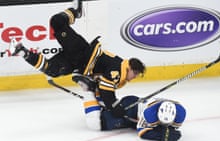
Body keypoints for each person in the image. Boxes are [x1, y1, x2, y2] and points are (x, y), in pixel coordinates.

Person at [8, 0, 146, 119]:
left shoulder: (120, 75)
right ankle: (76, 12)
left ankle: (22, 51)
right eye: (135, 74)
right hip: (80, 51)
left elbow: (103, 87)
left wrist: (104, 100)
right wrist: (114, 107)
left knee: (51, 70)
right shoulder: (118, 70)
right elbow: (106, 90)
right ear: (130, 68)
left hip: (78, 64)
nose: (133, 78)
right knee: (56, 21)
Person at [84, 94, 186, 141]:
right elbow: (142, 132)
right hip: (131, 108)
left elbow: (171, 128)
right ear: (157, 113)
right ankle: (89, 92)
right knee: (96, 124)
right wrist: (163, 135)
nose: (163, 124)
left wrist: (165, 130)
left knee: (107, 112)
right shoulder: (149, 113)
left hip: (137, 110)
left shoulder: (180, 114)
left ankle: (100, 99)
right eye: (161, 121)